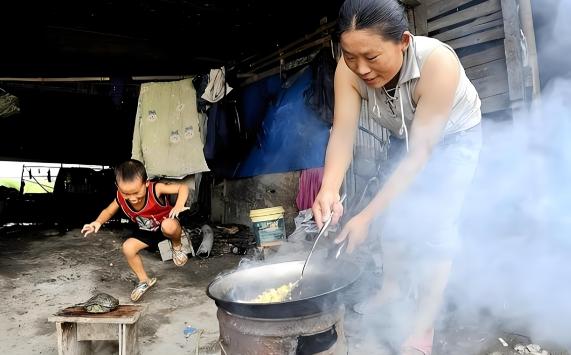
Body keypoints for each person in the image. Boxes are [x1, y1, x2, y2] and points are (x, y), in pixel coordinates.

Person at [312, 0, 482, 354]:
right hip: (403, 134)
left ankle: (423, 330)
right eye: (349, 56)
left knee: (436, 225)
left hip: (453, 137)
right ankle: (391, 289)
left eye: (372, 58)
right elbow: (342, 133)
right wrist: (328, 188)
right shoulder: (349, 69)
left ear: (403, 41)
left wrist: (365, 216)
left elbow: (421, 154)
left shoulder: (438, 65)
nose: (361, 69)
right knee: (393, 213)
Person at [82, 159, 191, 302]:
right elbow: (108, 211)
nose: (132, 198)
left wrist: (178, 205)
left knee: (168, 225)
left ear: (146, 183)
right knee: (128, 247)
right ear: (118, 187)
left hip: (166, 224)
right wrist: (97, 222)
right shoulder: (120, 197)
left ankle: (177, 246)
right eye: (126, 193)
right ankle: (144, 280)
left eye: (136, 192)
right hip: (146, 230)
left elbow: (182, 187)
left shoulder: (155, 188)